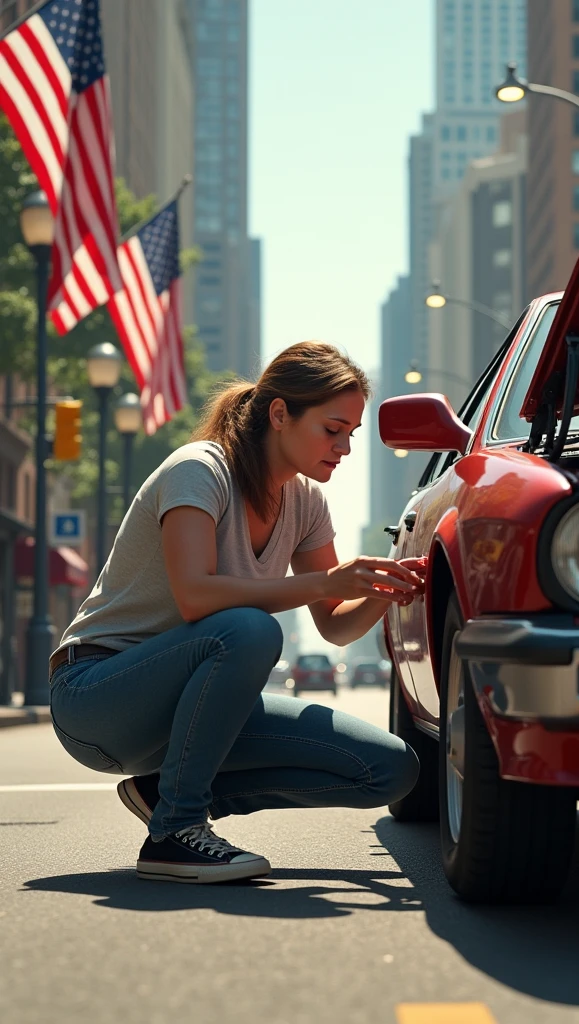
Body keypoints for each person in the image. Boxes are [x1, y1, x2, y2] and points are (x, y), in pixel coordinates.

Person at [48, 341, 424, 884]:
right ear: (279, 414)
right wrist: (324, 580)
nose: (343, 447)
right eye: (332, 428)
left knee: (390, 769)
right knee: (247, 629)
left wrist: (386, 586)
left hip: (189, 705)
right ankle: (176, 832)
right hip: (97, 698)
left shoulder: (306, 503)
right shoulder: (199, 470)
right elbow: (195, 598)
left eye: (351, 434)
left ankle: (163, 795)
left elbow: (335, 625)